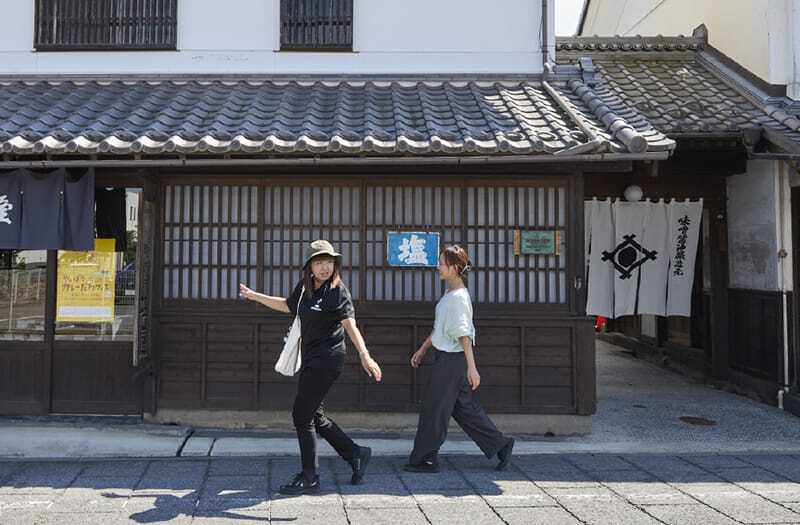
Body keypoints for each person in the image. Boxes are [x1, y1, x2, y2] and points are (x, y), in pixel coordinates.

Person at [239, 239, 382, 495]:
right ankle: (356, 453)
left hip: (328, 359)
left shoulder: (338, 291)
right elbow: (287, 306)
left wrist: (365, 354)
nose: (325, 267)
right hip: (310, 358)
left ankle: (310, 476)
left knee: (301, 415)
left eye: (329, 262)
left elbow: (350, 325)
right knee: (316, 416)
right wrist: (254, 296)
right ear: (310, 267)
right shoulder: (305, 289)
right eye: (319, 262)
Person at [406, 244, 514, 473]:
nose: (438, 268)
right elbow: (441, 328)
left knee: (433, 409)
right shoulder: (451, 294)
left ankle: (425, 458)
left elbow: (464, 334)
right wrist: (423, 349)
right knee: (464, 410)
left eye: (442, 264)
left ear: (455, 268)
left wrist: (472, 369)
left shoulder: (458, 298)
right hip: (450, 359)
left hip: (451, 362)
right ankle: (500, 445)